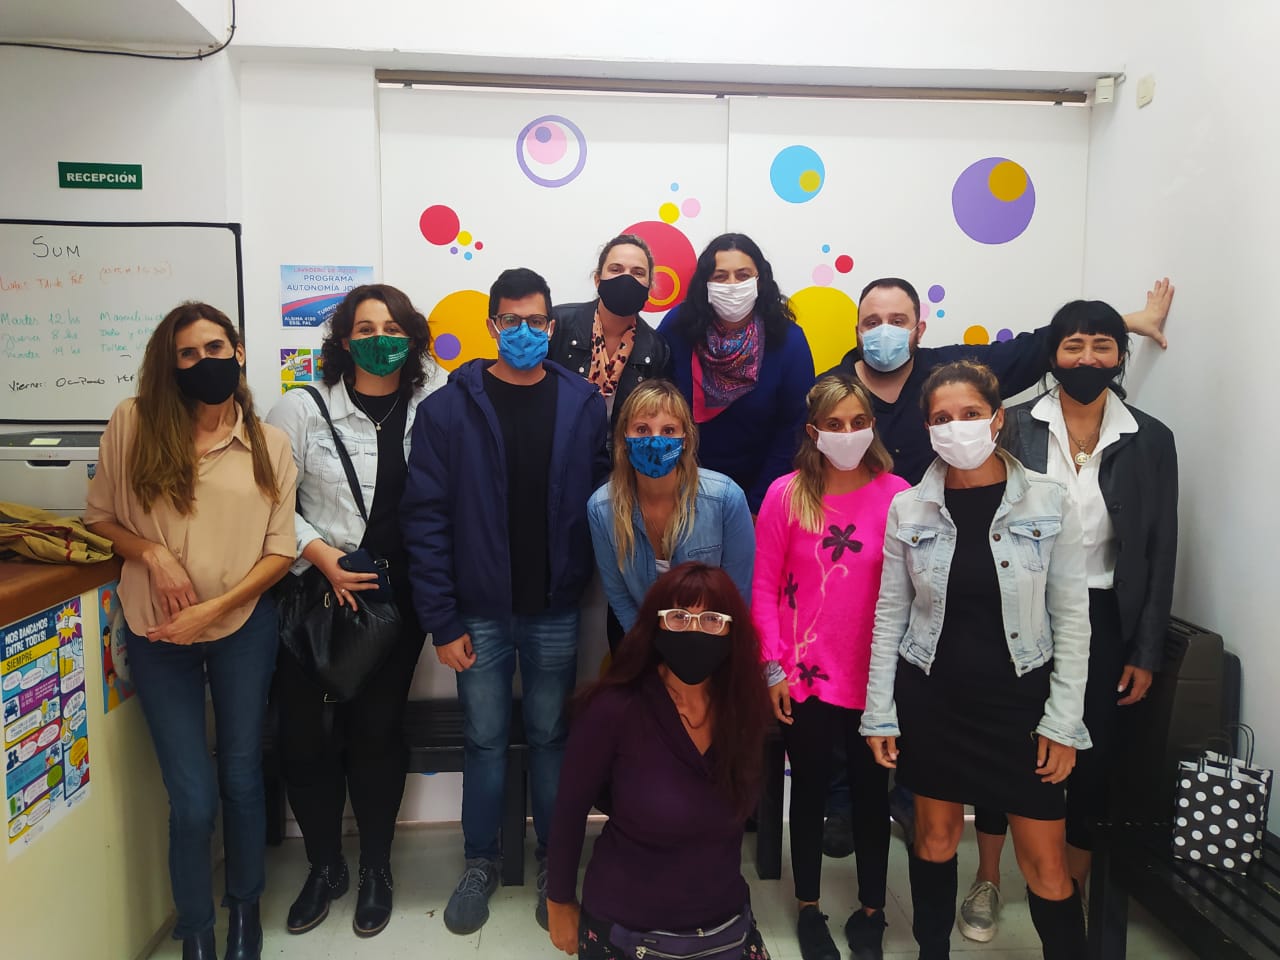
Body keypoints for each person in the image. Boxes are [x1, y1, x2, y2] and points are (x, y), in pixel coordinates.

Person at [822, 275, 1173, 864]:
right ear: (856, 330)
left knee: (1059, 774)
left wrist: (1130, 320)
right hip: (911, 588)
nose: (885, 331)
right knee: (921, 775)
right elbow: (890, 614)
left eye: (898, 319)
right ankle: (926, 835)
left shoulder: (953, 375)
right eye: (872, 321)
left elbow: (1031, 348)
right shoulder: (840, 392)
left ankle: (1049, 873)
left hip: (1040, 617)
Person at [958, 300, 1179, 942]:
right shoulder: (1016, 426)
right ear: (1052, 355)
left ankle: (1068, 888)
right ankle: (989, 878)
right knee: (1007, 744)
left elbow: (1161, 545)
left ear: (1120, 355)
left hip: (1105, 614)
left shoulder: (1150, 438)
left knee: (1092, 754)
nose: (1087, 358)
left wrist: (1145, 648)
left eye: (1102, 345)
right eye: (1073, 345)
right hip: (1021, 609)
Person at [84, 302, 297, 960]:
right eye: (187, 354)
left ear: (238, 351)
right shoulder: (134, 423)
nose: (204, 361)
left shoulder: (269, 443)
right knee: (193, 797)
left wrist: (215, 608)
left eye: (215, 348)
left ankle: (245, 912)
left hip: (242, 626)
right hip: (157, 633)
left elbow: (280, 552)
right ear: (169, 365)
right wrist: (152, 553)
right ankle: (196, 930)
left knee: (241, 777)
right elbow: (99, 519)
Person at [401, 267, 609, 936]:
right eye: (512, 321)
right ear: (492, 326)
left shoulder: (582, 403)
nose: (525, 331)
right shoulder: (446, 411)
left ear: (552, 325)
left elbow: (603, 501)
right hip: (478, 613)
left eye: (537, 321)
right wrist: (441, 620)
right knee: (485, 739)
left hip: (554, 608)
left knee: (551, 737)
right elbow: (425, 520)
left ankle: (555, 862)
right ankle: (480, 862)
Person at [861, 360, 1092, 960]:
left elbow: (1072, 619)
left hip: (1022, 705)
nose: (956, 426)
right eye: (942, 418)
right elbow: (890, 615)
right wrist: (879, 711)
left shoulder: (1048, 500)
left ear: (996, 419)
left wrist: (1064, 722)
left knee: (1045, 866)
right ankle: (932, 952)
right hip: (934, 700)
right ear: (927, 428)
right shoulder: (909, 508)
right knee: (934, 840)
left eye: (969, 414)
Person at [265, 284, 444, 938]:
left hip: (397, 601)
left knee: (376, 732)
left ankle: (374, 869)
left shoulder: (435, 404)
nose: (379, 339)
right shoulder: (301, 408)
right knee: (303, 737)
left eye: (393, 328)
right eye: (365, 328)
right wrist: (322, 557)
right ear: (343, 339)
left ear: (413, 338)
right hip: (315, 595)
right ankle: (323, 866)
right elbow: (267, 499)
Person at [752, 374, 910, 960]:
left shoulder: (900, 495)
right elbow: (764, 588)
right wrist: (772, 669)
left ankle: (872, 910)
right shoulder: (786, 495)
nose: (848, 433)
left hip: (876, 676)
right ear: (813, 431)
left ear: (873, 427)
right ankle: (808, 907)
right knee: (811, 791)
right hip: (804, 676)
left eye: (858, 422)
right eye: (835, 424)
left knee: (872, 793)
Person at [545, 562, 773, 959]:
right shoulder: (612, 709)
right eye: (679, 617)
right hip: (626, 927)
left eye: (712, 619)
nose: (695, 630)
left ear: (731, 631)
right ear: (655, 625)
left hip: (725, 922)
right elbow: (569, 809)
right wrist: (559, 902)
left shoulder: (743, 709)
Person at [587, 379, 754, 652]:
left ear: (685, 439)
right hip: (639, 639)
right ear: (624, 438)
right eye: (642, 429)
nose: (655, 441)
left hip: (710, 643)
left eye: (668, 430)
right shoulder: (601, 507)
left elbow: (738, 596)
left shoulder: (726, 499)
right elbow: (618, 594)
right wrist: (649, 654)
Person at [658, 232, 815, 512]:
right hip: (680, 487)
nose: (732, 285)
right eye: (720, 277)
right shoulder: (678, 327)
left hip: (760, 492)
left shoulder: (788, 340)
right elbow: (655, 403)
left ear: (760, 281)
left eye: (743, 275)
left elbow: (793, 429)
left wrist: (757, 504)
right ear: (705, 283)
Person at [549, 233, 672, 426]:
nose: (626, 278)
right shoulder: (558, 324)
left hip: (619, 444)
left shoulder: (656, 349)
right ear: (598, 279)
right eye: (616, 269)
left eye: (638, 273)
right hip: (561, 441)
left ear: (649, 287)